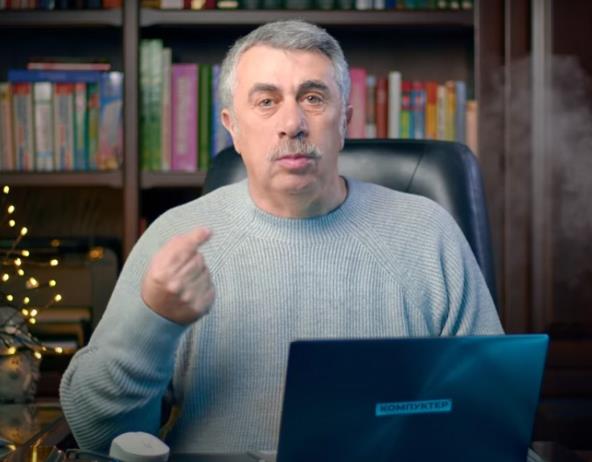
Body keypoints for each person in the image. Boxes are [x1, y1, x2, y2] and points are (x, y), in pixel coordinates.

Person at [60, 20, 503, 455]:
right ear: (233, 128)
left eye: (313, 98)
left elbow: (492, 418)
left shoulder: (427, 232)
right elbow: (99, 438)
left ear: (345, 122)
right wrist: (154, 319)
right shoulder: (175, 241)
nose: (292, 123)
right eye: (266, 101)